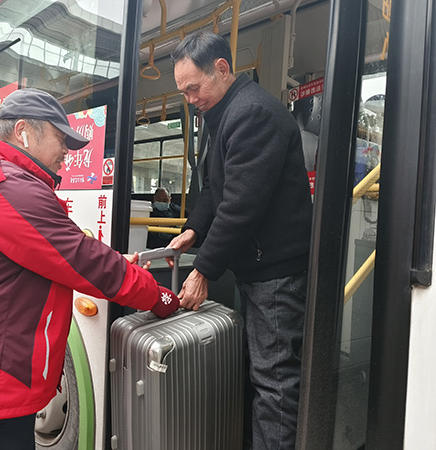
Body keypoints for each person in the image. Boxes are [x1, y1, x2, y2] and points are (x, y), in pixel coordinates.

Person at [0, 88, 179, 450]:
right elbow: (86, 262)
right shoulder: (10, 189)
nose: (66, 153)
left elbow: (61, 255)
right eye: (61, 139)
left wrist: (119, 263)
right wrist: (159, 296)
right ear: (24, 131)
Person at [169, 32, 313, 450]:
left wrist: (203, 270)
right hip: (258, 268)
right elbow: (215, 188)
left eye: (193, 88)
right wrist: (194, 230)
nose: (190, 100)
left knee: (275, 382)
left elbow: (240, 205)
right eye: (183, 93)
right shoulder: (224, 113)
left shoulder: (252, 114)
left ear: (222, 68)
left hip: (277, 275)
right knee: (260, 371)